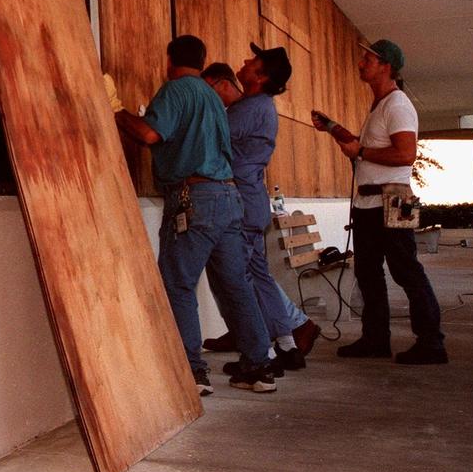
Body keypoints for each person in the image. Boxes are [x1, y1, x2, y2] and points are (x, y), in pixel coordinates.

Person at [115, 35, 276, 395]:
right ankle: (258, 368)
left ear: (169, 59)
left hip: (194, 199)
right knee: (236, 284)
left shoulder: (175, 90)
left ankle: (192, 372)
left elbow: (149, 134)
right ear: (202, 62)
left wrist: (114, 110)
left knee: (177, 283)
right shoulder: (213, 97)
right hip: (229, 197)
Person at [312, 39, 446, 364]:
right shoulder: (382, 105)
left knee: (407, 271)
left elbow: (405, 154)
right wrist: (337, 132)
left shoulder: (398, 105)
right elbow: (371, 150)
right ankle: (375, 339)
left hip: (395, 197)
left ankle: (431, 343)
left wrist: (361, 151)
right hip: (372, 201)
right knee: (368, 272)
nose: (361, 63)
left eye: (367, 59)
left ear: (385, 66)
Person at [200, 54, 321, 376]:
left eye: (252, 61)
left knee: (240, 281)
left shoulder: (250, 109)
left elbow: (208, 138)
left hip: (241, 203)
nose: (244, 61)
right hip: (251, 202)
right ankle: (287, 346)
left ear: (261, 76)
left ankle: (262, 354)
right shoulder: (257, 106)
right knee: (258, 278)